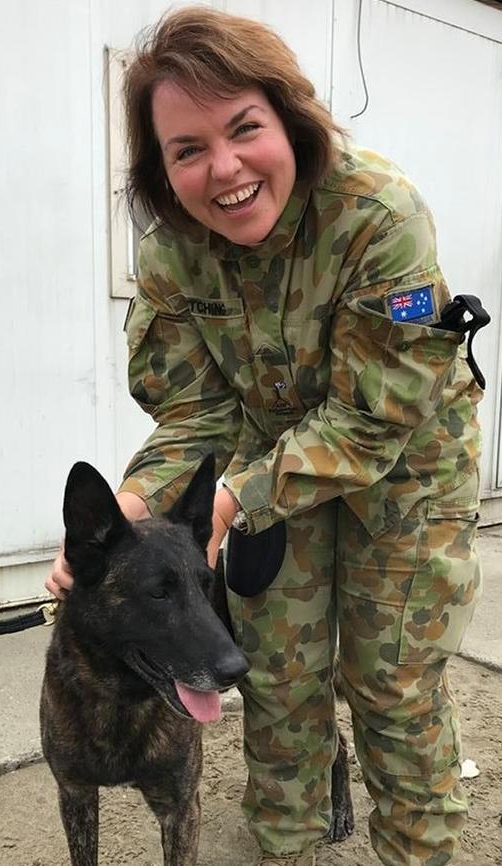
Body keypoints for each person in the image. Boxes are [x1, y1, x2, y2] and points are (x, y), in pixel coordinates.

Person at [47, 7, 487, 866]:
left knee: (391, 688)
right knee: (277, 679)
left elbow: (371, 418)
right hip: (258, 470)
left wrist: (233, 495)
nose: (225, 170)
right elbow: (196, 412)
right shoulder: (172, 256)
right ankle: (288, 847)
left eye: (244, 128)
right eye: (186, 149)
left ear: (289, 116)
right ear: (159, 166)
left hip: (403, 470)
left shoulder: (375, 215)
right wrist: (133, 511)